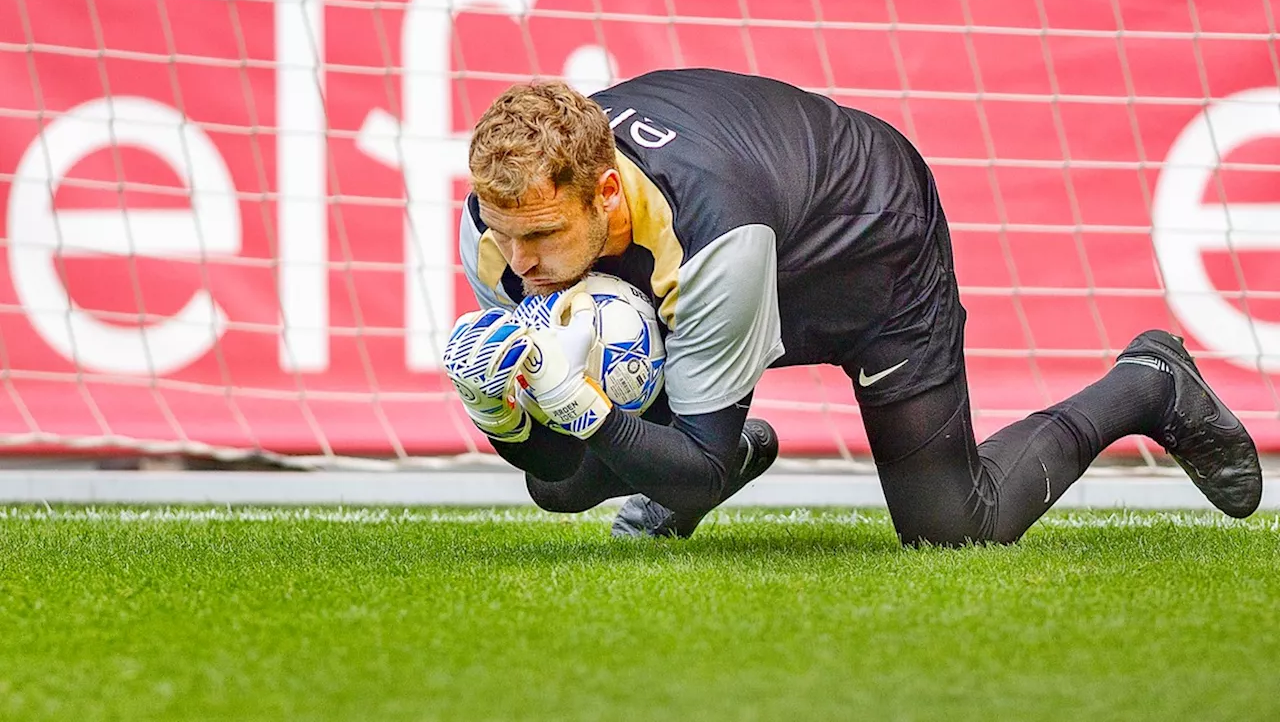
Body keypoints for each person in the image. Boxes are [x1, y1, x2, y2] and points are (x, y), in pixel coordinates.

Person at [442, 68, 1263, 546]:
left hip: (869, 242)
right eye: (508, 235)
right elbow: (555, 474)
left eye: (543, 235)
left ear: (606, 193)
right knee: (569, 480)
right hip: (739, 241)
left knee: (952, 525)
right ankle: (725, 441)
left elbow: (657, 462)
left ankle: (1151, 380)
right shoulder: (499, 226)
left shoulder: (713, 231)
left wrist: (604, 423)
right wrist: (506, 420)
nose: (522, 266)